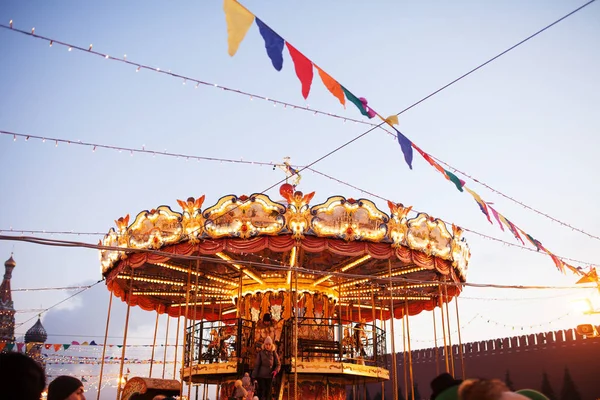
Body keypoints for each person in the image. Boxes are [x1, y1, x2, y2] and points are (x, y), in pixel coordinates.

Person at [252, 336, 280, 400]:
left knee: (268, 392)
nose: (268, 346)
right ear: (264, 345)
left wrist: (276, 371)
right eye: (266, 344)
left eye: (269, 344)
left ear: (271, 345)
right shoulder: (261, 353)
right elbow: (257, 365)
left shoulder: (274, 353)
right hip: (261, 375)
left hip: (270, 376)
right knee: (262, 391)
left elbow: (278, 364)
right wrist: (253, 376)